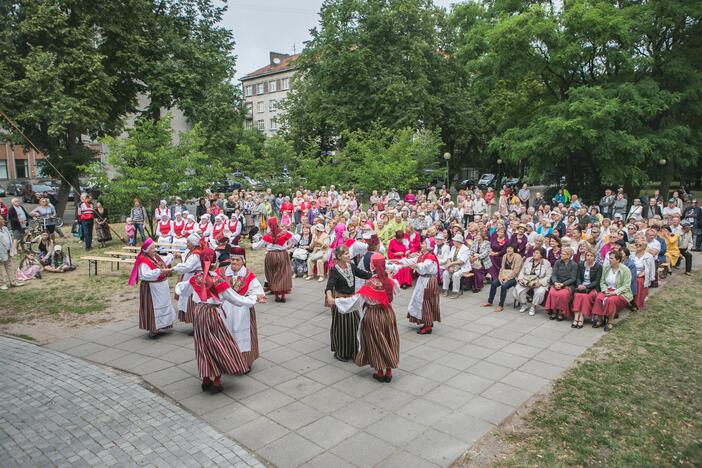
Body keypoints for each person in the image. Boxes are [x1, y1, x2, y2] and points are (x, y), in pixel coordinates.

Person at [176, 248, 262, 393]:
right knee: (219, 345)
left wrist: (179, 285)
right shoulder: (217, 280)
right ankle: (216, 380)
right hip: (213, 314)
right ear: (215, 262)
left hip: (199, 314)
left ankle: (205, 377)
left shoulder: (195, 278)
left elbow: (182, 290)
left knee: (203, 346)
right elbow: (235, 299)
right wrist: (253, 299)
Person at [330, 253, 400, 383]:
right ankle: (389, 372)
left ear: (372, 267)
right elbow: (396, 290)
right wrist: (388, 277)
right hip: (388, 314)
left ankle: (380, 372)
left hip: (373, 316)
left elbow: (355, 301)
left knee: (375, 343)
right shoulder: (390, 282)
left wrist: (335, 301)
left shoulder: (369, 285)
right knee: (389, 339)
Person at [325, 246, 373, 361]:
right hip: (341, 302)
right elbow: (329, 286)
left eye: (347, 253)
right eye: (346, 254)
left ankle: (354, 350)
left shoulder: (351, 266)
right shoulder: (334, 270)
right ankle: (340, 353)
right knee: (342, 328)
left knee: (355, 326)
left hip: (351, 301)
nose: (348, 255)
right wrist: (329, 298)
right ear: (339, 257)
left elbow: (364, 274)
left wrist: (378, 275)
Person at [222, 246, 266, 367]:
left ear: (243, 261)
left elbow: (257, 290)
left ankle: (244, 362)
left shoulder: (248, 275)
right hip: (225, 309)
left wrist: (258, 296)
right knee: (227, 334)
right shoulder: (222, 272)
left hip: (243, 309)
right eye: (232, 259)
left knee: (243, 335)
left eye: (237, 259)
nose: (234, 262)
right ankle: (228, 362)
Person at [128, 238, 176, 338]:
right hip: (152, 288)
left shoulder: (155, 257)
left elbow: (164, 261)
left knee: (163, 305)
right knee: (153, 308)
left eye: (154, 248)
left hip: (161, 286)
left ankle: (163, 325)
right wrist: (159, 271)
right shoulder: (143, 260)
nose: (154, 250)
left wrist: (172, 256)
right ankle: (153, 328)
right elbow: (144, 275)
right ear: (146, 250)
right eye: (152, 248)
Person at [396, 241, 441, 334]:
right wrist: (399, 261)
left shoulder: (430, 257)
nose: (421, 245)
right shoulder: (422, 256)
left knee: (426, 302)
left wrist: (414, 265)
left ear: (428, 247)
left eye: (424, 243)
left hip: (429, 281)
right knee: (420, 301)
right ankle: (427, 322)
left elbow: (424, 265)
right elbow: (413, 261)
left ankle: (428, 326)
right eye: (422, 243)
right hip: (423, 280)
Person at [252, 217, 299, 303]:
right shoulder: (285, 233)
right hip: (282, 255)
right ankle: (283, 296)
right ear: (278, 223)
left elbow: (258, 246)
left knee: (273, 274)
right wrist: (289, 244)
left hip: (271, 256)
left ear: (269, 225)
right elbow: (296, 240)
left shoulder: (267, 235)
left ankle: (276, 295)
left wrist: (252, 245)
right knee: (283, 274)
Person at [592, 250, 633, 331]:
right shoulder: (606, 268)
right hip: (608, 290)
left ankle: (610, 322)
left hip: (620, 292)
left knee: (611, 300)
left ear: (618, 260)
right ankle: (600, 319)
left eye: (611, 258)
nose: (609, 260)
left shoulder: (625, 270)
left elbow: (626, 286)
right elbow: (602, 281)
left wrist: (614, 293)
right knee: (599, 298)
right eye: (608, 258)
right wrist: (604, 290)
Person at [172, 233, 203, 333]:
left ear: (193, 243)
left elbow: (187, 266)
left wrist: (174, 268)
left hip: (194, 279)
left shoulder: (195, 255)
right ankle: (196, 325)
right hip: (190, 277)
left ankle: (197, 326)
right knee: (189, 301)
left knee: (192, 301)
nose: (187, 243)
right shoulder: (192, 252)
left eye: (188, 242)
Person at [482, 244, 522, 312]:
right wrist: (500, 277)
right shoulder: (505, 256)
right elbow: (502, 268)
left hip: (514, 277)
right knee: (494, 283)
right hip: (504, 275)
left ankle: (501, 305)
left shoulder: (518, 257)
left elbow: (516, 271)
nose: (508, 250)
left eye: (510, 248)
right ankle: (490, 302)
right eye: (507, 248)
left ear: (514, 249)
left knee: (504, 286)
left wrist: (507, 279)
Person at [514, 247, 551, 316]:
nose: (534, 254)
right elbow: (522, 271)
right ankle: (524, 304)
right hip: (527, 280)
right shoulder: (528, 260)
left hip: (539, 281)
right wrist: (520, 279)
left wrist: (540, 282)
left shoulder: (546, 263)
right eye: (534, 252)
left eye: (537, 253)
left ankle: (533, 307)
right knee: (518, 289)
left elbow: (548, 276)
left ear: (541, 255)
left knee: (540, 292)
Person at [544, 246, 578, 321]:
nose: (561, 255)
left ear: (568, 256)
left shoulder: (574, 265)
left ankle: (561, 312)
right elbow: (554, 274)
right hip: (557, 283)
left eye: (563, 254)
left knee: (562, 294)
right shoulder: (558, 262)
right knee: (552, 293)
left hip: (568, 284)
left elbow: (573, 278)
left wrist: (563, 284)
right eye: (561, 253)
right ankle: (554, 310)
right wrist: (555, 282)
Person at [571, 249, 602, 328]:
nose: (589, 257)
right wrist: (579, 285)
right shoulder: (580, 264)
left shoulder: (598, 266)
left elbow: (597, 281)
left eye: (591, 256)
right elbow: (578, 277)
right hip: (581, 286)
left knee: (585, 297)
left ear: (594, 257)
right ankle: (576, 318)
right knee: (577, 295)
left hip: (592, 288)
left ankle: (581, 318)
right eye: (587, 255)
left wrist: (586, 286)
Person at [0, 215, 26, 290]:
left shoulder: (5, 228)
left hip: (7, 251)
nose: (4, 220)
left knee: (10, 267)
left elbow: (9, 238)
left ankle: (13, 282)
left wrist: (12, 249)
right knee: (0, 269)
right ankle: (1, 284)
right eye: (2, 219)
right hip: (0, 252)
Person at [442, 234, 471, 299]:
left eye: (454, 241)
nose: (453, 242)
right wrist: (450, 266)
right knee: (445, 273)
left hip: (463, 267)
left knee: (456, 275)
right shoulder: (453, 247)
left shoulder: (465, 249)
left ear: (458, 241)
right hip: (453, 266)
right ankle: (445, 290)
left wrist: (450, 264)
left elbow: (461, 261)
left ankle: (456, 292)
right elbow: (449, 258)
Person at [630, 237, 655, 310]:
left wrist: (643, 273)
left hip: (642, 274)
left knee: (638, 282)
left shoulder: (648, 256)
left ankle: (636, 303)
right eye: (636, 244)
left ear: (644, 247)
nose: (637, 246)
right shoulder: (632, 255)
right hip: (631, 273)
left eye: (640, 245)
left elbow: (651, 268)